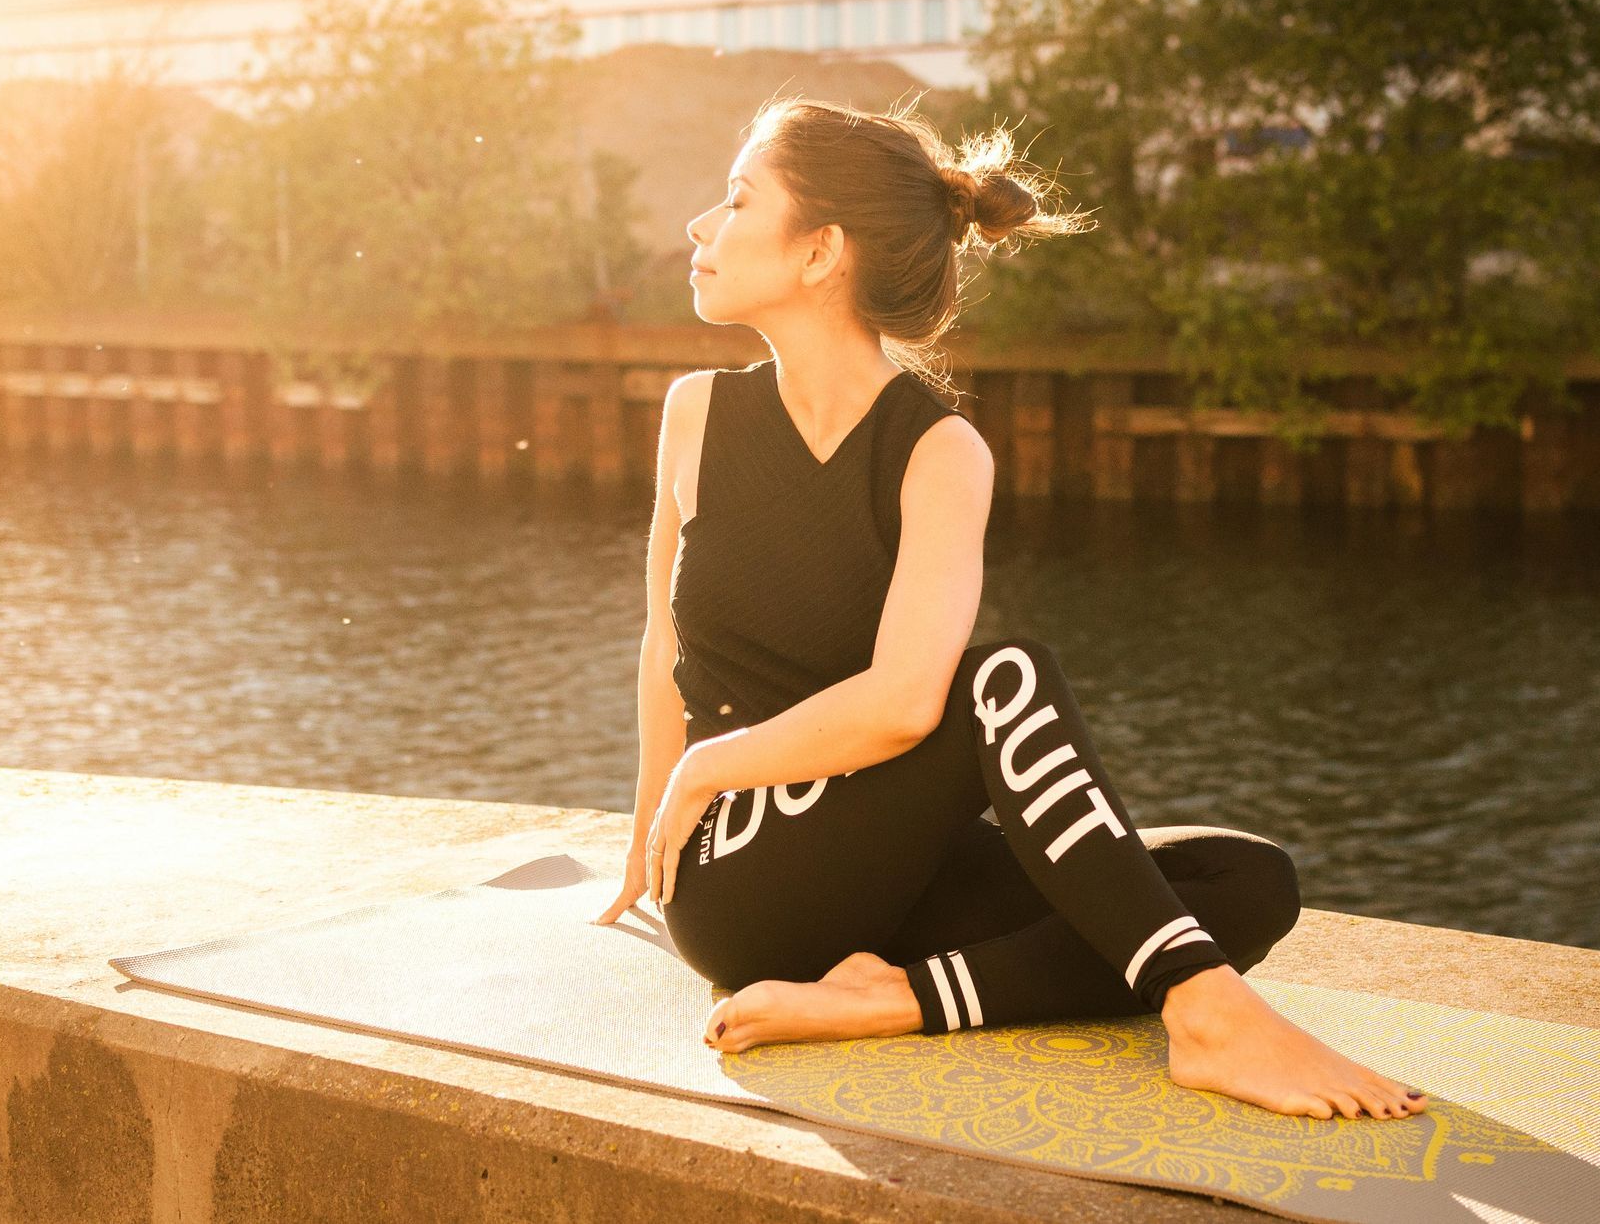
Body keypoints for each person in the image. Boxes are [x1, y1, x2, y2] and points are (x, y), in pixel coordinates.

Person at [593, 94, 1428, 1123]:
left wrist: (700, 765)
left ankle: (894, 998)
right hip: (741, 872)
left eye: (735, 200)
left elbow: (901, 706)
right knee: (1007, 678)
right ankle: (1206, 1016)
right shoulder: (698, 416)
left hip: (883, 867)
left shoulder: (939, 453)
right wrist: (652, 833)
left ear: (820, 254)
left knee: (1248, 883)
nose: (700, 226)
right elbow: (662, 641)